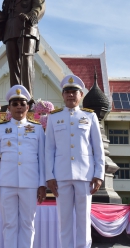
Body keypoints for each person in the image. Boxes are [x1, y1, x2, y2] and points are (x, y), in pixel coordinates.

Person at [45, 75, 105, 248]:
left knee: (83, 220)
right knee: (64, 220)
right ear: (63, 95)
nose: (70, 95)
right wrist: (49, 175)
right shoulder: (54, 117)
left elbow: (97, 148)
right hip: (61, 176)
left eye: (74, 92)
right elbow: (49, 149)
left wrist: (99, 174)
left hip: (85, 175)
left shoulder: (90, 116)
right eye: (67, 92)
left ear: (81, 96)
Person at [0, 85, 46, 248]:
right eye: (15, 103)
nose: (19, 106)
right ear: (9, 107)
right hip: (6, 183)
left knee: (28, 224)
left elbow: (42, 159)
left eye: (22, 103)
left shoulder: (37, 129)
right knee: (9, 224)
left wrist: (42, 184)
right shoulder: (0, 129)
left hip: (30, 184)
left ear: (28, 107)